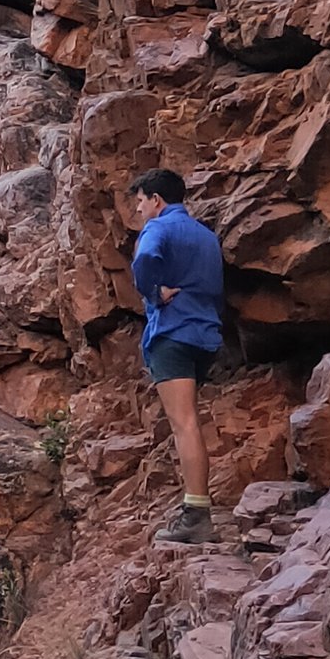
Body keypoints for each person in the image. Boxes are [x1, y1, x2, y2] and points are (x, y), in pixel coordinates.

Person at [126, 167, 225, 544]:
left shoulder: (158, 228)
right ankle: (195, 507)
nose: (139, 212)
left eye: (140, 203)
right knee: (191, 421)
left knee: (184, 424)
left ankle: (197, 514)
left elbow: (144, 260)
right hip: (205, 335)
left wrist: (153, 293)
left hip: (173, 334)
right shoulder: (205, 236)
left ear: (156, 200)